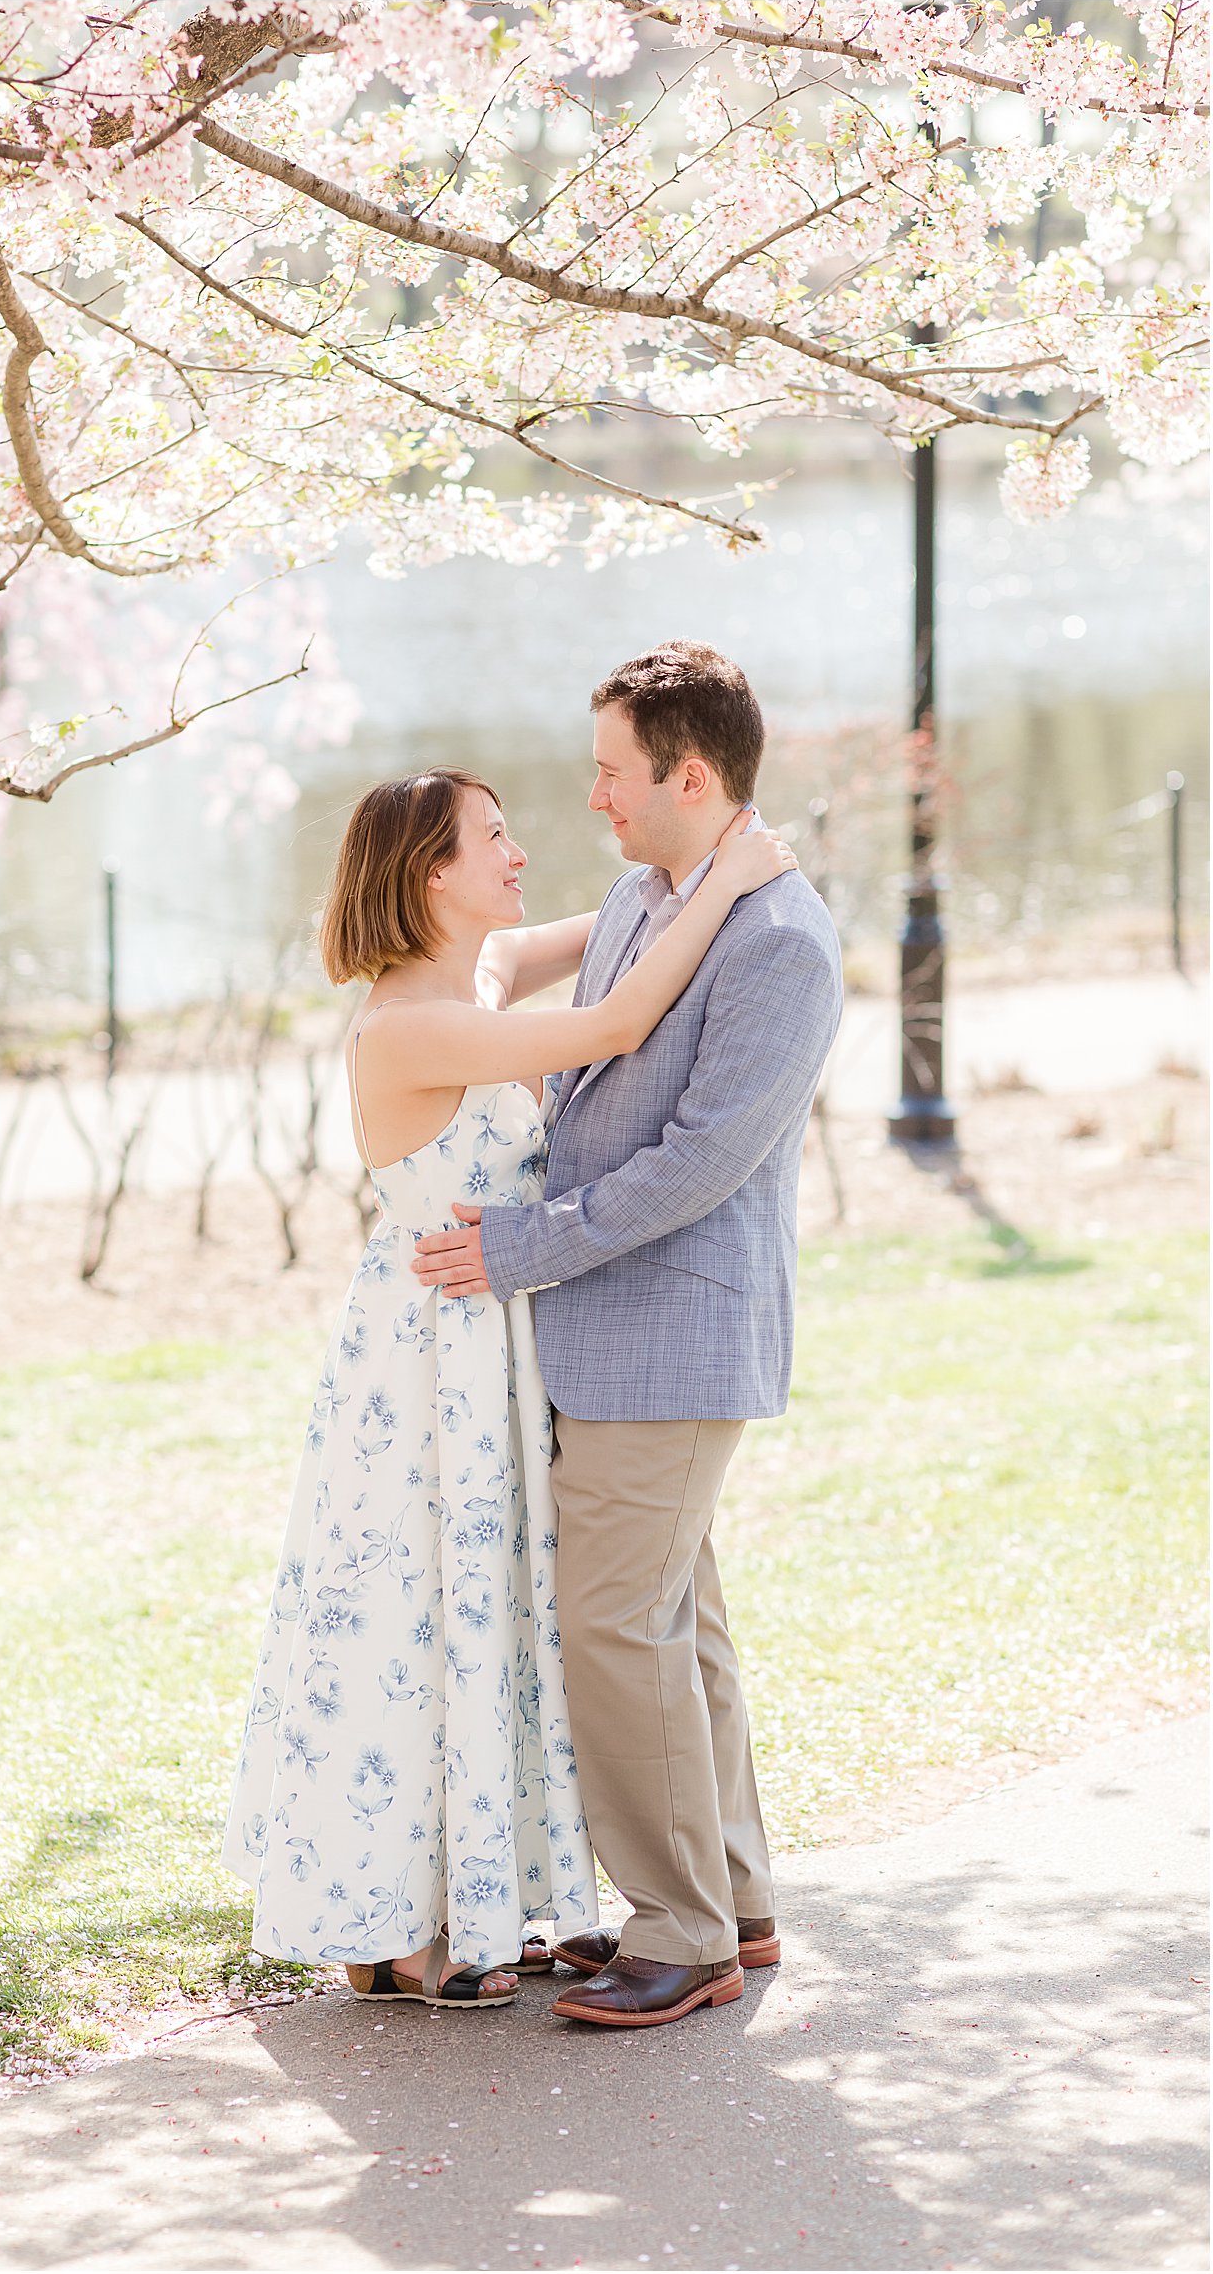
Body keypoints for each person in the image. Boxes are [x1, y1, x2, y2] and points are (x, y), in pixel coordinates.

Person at [221, 761, 796, 2010]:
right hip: (429, 1356)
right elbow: (613, 1021)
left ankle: (454, 1907)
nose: (520, 851)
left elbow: (626, 927)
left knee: (483, 1618)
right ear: (431, 873)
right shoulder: (409, 1024)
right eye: (492, 838)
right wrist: (737, 874)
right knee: (414, 1619)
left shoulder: (475, 974)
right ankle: (390, 1926)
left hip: (496, 1336)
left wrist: (702, 862)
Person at [412, 643, 843, 2029]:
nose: (592, 797)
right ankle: (735, 1899)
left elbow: (698, 1165)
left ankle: (679, 1930)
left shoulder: (779, 942)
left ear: (691, 775)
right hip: (615, 1334)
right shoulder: (646, 895)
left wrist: (513, 1250)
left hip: (678, 1332)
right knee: (678, 1625)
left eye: (611, 771)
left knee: (615, 1623)